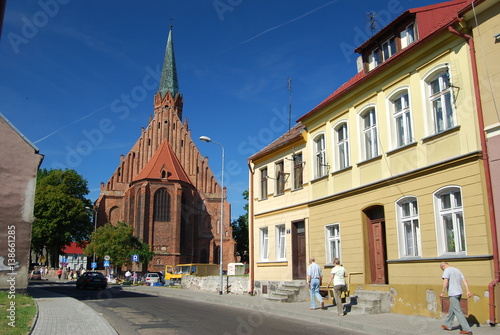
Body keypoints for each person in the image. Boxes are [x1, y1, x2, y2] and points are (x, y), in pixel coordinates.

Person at [439, 262, 472, 334]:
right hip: (459, 293)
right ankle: (448, 325)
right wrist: (467, 291)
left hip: (453, 293)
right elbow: (464, 280)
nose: (443, 270)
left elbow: (446, 281)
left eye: (442, 269)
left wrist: (442, 291)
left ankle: (467, 329)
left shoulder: (447, 270)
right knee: (452, 309)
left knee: (458, 311)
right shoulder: (457, 270)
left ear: (443, 266)